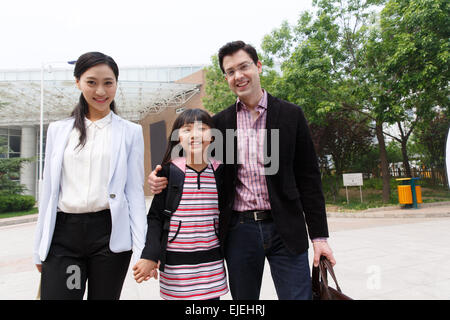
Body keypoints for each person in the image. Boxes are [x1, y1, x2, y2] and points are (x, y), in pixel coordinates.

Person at [148, 41, 335, 300]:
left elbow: (309, 179)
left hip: (285, 229)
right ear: (226, 78)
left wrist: (319, 236)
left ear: (258, 66)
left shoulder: (291, 115)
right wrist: (162, 177)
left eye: (244, 67)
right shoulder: (222, 123)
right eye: (230, 71)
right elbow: (196, 163)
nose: (238, 76)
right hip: (239, 231)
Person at [33, 52, 147, 300]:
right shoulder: (59, 130)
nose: (100, 91)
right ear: (78, 83)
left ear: (116, 83)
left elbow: (135, 194)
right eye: (91, 82)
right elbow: (49, 192)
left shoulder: (131, 132)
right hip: (65, 238)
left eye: (108, 82)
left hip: (108, 237)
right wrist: (38, 248)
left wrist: (142, 250)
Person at [133, 108, 229, 300]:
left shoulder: (221, 171)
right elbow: (155, 218)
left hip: (211, 268)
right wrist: (150, 255)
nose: (195, 134)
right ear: (178, 137)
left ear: (213, 136)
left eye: (202, 129)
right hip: (177, 271)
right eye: (187, 129)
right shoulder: (169, 172)